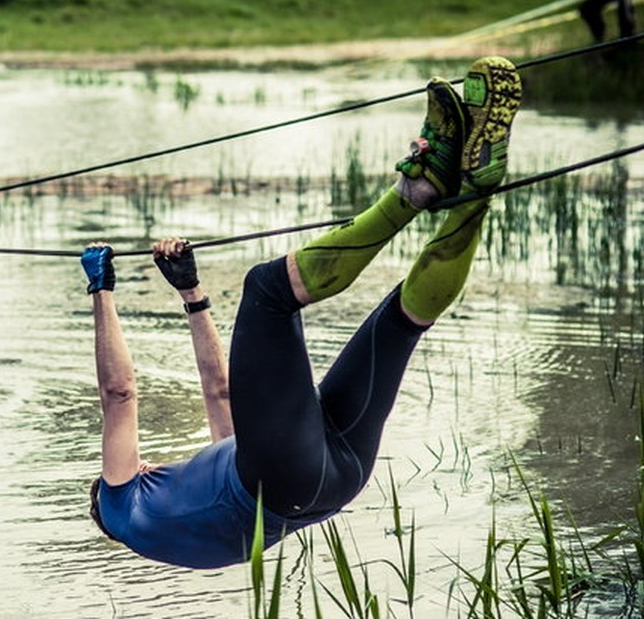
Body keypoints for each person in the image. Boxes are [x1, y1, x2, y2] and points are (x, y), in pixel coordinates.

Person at [80, 56, 523, 569]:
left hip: (334, 483)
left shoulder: (188, 517)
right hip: (280, 473)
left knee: (400, 323)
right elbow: (119, 395)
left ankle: (476, 192)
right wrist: (101, 288)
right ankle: (413, 194)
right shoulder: (118, 505)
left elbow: (223, 391)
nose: (149, 462)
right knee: (267, 291)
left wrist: (192, 293)